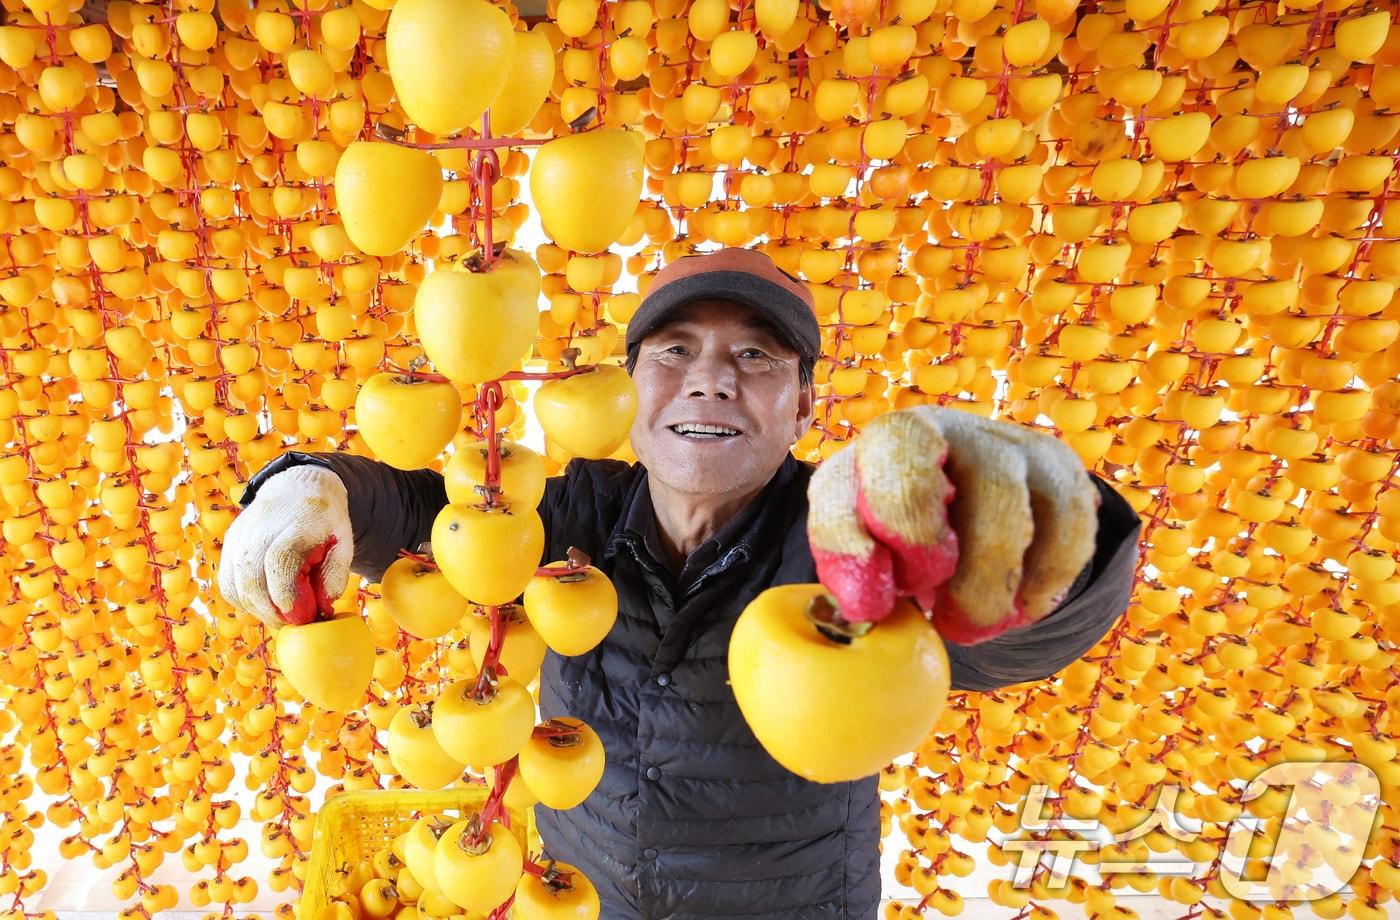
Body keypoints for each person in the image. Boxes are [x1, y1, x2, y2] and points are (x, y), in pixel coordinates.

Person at [219, 247, 1142, 919]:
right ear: (628, 388)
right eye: (674, 351)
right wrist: (313, 485)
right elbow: (425, 511)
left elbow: (1008, 636)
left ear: (805, 404)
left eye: (755, 357)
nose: (710, 382)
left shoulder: (850, 546)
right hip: (590, 894)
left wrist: (1052, 537)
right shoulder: (570, 513)